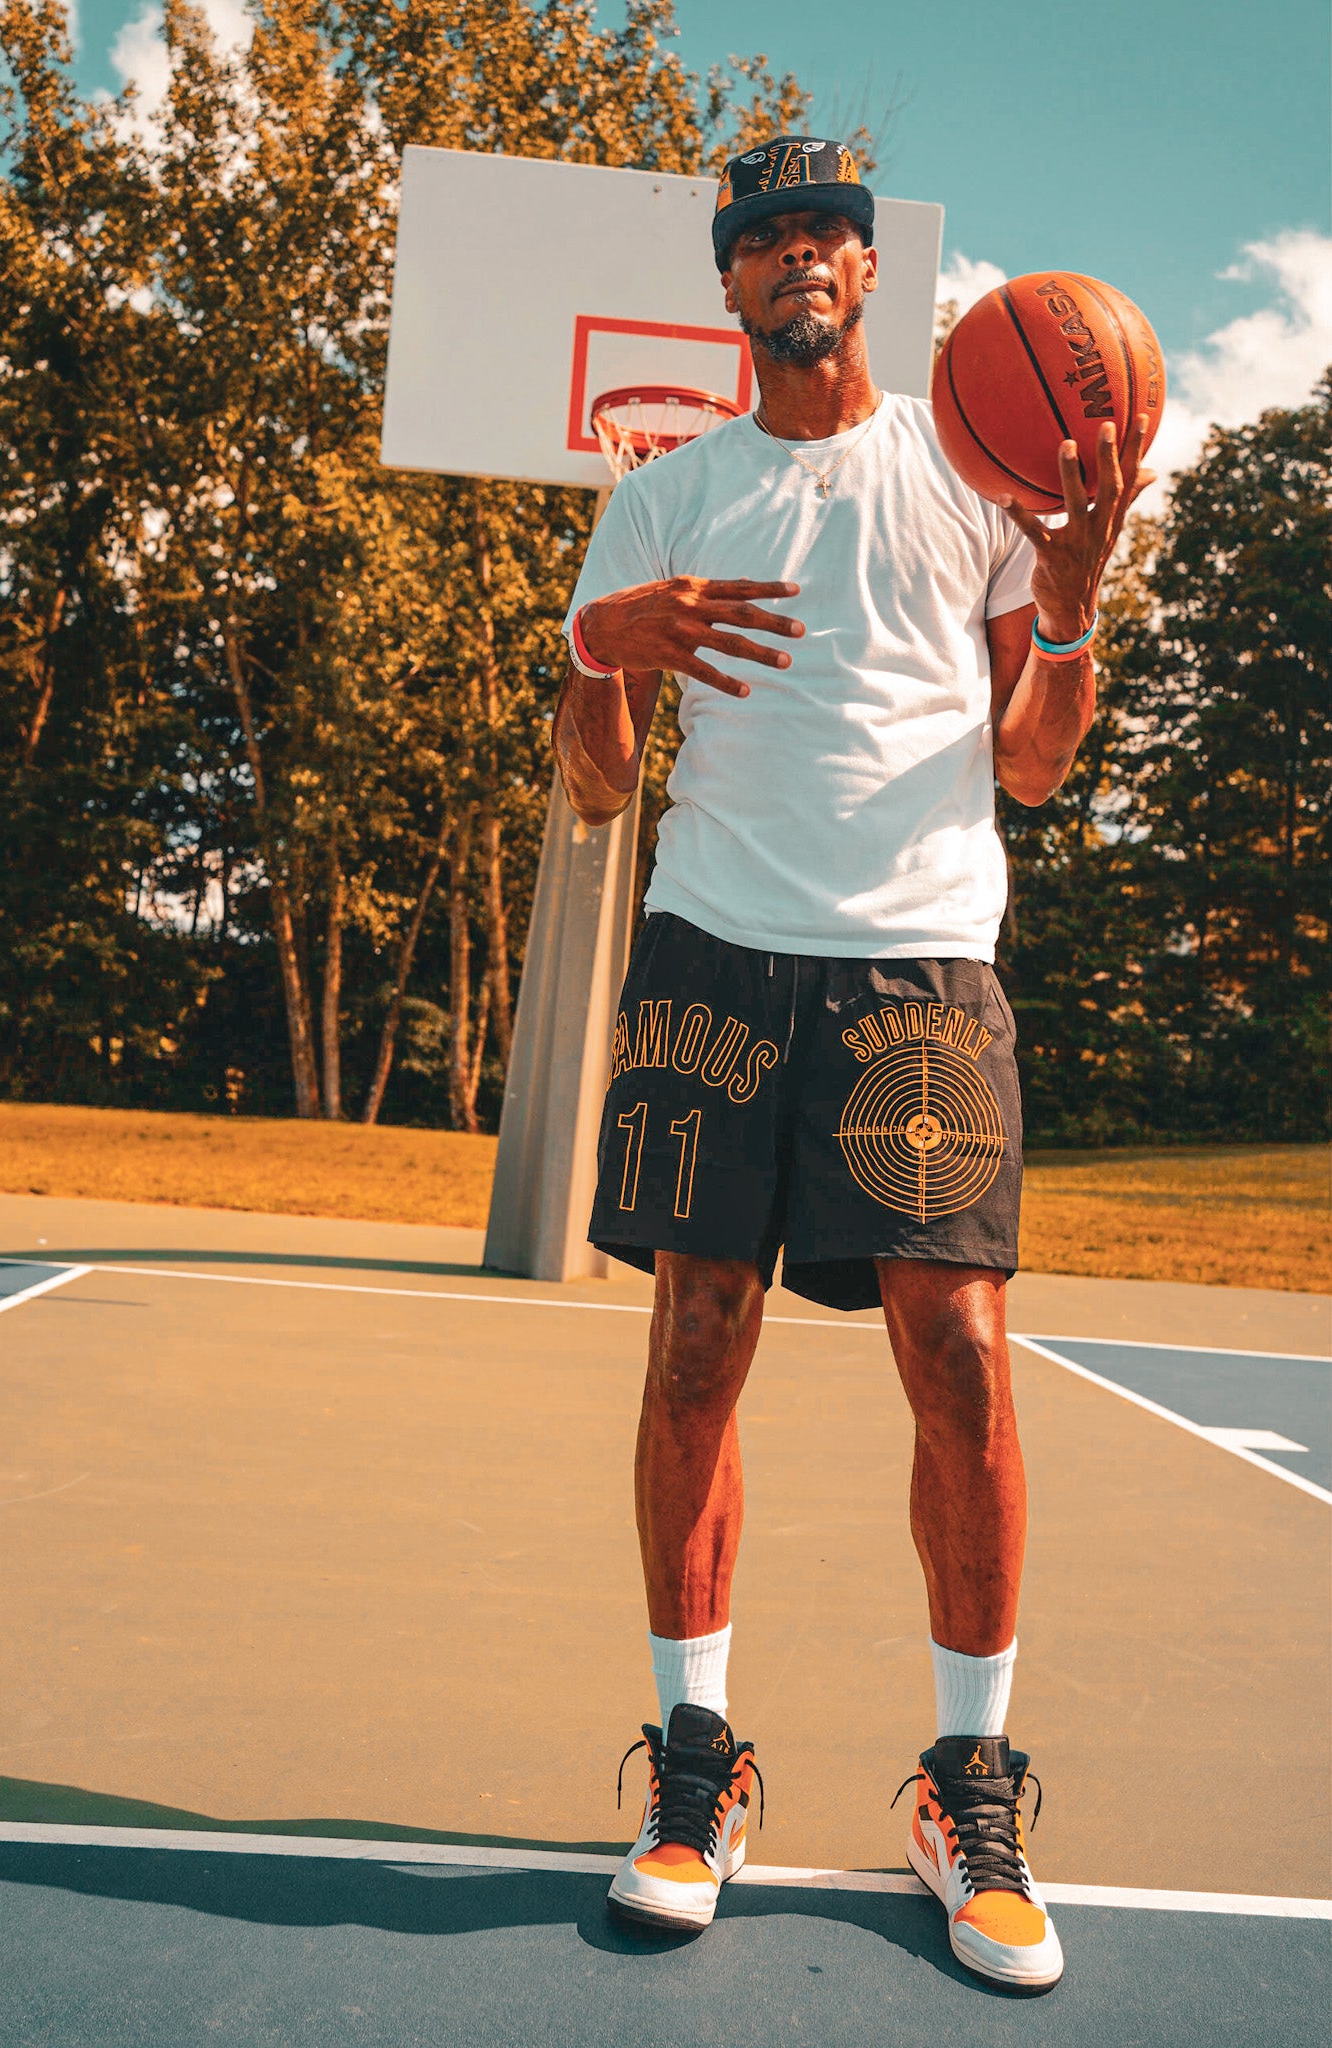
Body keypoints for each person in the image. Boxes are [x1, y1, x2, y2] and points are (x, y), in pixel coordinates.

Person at [554, 135, 1150, 1991]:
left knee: (959, 1363)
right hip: (713, 957)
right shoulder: (659, 497)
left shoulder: (976, 473)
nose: (798, 256)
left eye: (826, 232)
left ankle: (964, 1782)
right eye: (763, 238)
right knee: (694, 1346)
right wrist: (596, 652)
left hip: (917, 967)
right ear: (724, 288)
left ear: (871, 273)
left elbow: (1034, 763)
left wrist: (1067, 600)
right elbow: (594, 782)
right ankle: (697, 1771)